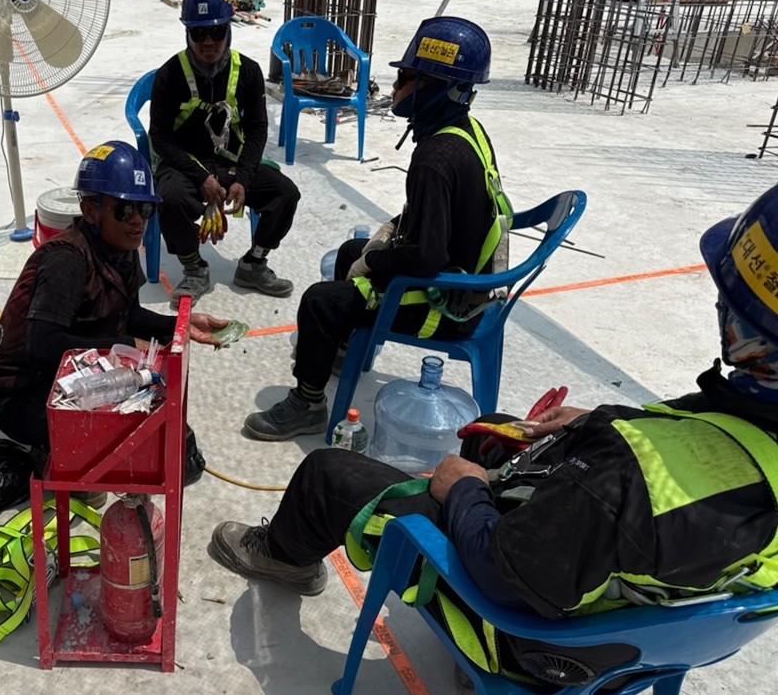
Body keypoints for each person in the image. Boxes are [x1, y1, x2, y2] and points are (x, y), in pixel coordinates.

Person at [210, 186, 778, 685]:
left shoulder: (621, 480)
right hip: (634, 634)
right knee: (492, 434)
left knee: (327, 474)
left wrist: (464, 489)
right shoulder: (754, 426)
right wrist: (596, 421)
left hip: (529, 638)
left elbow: (505, 574)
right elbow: (694, 450)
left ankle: (284, 557)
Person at [244, 17, 509, 441]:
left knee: (319, 302)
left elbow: (427, 258)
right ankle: (343, 347)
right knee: (351, 252)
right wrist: (382, 241)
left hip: (444, 305)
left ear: (434, 86)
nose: (397, 86)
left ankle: (307, 404)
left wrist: (378, 261)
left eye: (405, 77)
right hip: (468, 284)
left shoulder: (435, 158)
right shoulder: (466, 131)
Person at [0, 140, 228, 487]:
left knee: (170, 435)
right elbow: (42, 346)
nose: (137, 221)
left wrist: (180, 326)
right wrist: (122, 344)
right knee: (153, 431)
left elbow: (129, 314)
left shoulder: (120, 248)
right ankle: (58, 458)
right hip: (23, 396)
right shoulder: (67, 260)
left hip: (66, 375)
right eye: (124, 210)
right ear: (90, 211)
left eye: (145, 209)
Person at [149, 0, 300, 308]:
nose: (208, 42)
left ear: (229, 29)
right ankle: (193, 267)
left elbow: (258, 130)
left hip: (229, 163)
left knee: (285, 193)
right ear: (187, 33)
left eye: (216, 32)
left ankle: (253, 263)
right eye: (198, 33)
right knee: (170, 198)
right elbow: (160, 137)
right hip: (185, 165)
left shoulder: (248, 71)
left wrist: (243, 178)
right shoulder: (170, 74)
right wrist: (200, 177)